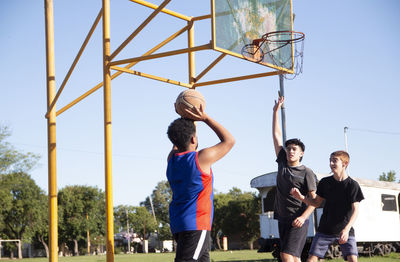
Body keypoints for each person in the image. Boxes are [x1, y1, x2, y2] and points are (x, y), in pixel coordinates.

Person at [166, 104, 235, 262]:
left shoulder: (171, 160)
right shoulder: (200, 158)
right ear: (193, 139)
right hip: (196, 224)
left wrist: (184, 120)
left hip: (179, 223)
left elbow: (177, 139)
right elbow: (229, 141)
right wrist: (205, 118)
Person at [291, 150, 364, 262]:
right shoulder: (325, 183)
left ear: (345, 164)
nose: (331, 163)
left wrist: (346, 229)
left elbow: (356, 211)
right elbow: (316, 203)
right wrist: (301, 197)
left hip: (345, 230)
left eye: (334, 161)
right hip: (325, 229)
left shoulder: (352, 185)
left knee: (353, 259)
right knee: (311, 260)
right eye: (330, 160)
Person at [272, 96, 317, 262]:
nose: (290, 151)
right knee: (294, 257)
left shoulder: (307, 172)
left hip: (298, 218)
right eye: (289, 148)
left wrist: (303, 217)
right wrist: (275, 111)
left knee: (286, 255)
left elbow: (314, 201)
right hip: (282, 217)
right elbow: (276, 136)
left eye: (294, 149)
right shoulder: (282, 163)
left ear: (301, 153)